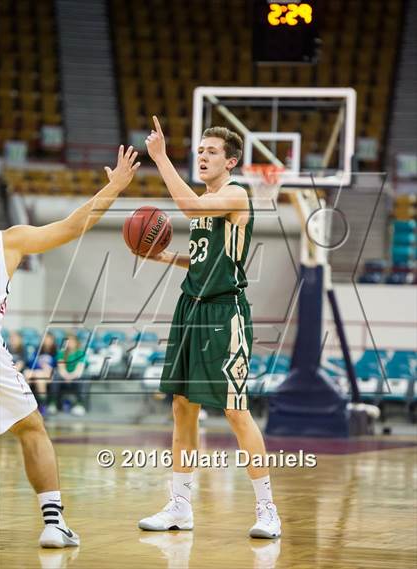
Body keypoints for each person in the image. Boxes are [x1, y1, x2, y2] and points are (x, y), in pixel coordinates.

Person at [138, 117, 281, 539]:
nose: (202, 156)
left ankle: (268, 510)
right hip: (191, 309)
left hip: (225, 313)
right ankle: (180, 506)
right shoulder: (206, 199)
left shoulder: (235, 194)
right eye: (199, 150)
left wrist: (161, 158)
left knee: (235, 411)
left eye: (211, 151)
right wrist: (168, 259)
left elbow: (186, 208)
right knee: (182, 407)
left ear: (231, 161)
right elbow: (203, 258)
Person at [0, 145, 139, 548]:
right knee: (31, 427)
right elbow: (74, 226)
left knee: (31, 427)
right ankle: (53, 523)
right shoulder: (10, 241)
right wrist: (113, 188)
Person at [49, 334, 87, 416]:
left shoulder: (81, 353)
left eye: (72, 341)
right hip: (63, 376)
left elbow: (79, 369)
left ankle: (79, 405)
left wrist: (71, 377)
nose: (70, 343)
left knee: (83, 378)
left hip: (75, 376)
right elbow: (61, 367)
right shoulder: (61, 353)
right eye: (68, 341)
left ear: (76, 343)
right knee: (55, 377)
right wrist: (66, 376)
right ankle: (53, 403)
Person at [25, 332, 58, 414]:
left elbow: (57, 364)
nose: (46, 341)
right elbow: (31, 363)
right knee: (27, 373)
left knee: (39, 376)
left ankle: (42, 404)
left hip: (49, 374)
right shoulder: (38, 350)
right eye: (45, 339)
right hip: (37, 372)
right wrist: (39, 365)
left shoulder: (56, 351)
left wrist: (48, 367)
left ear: (52, 340)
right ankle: (25, 402)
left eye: (48, 339)